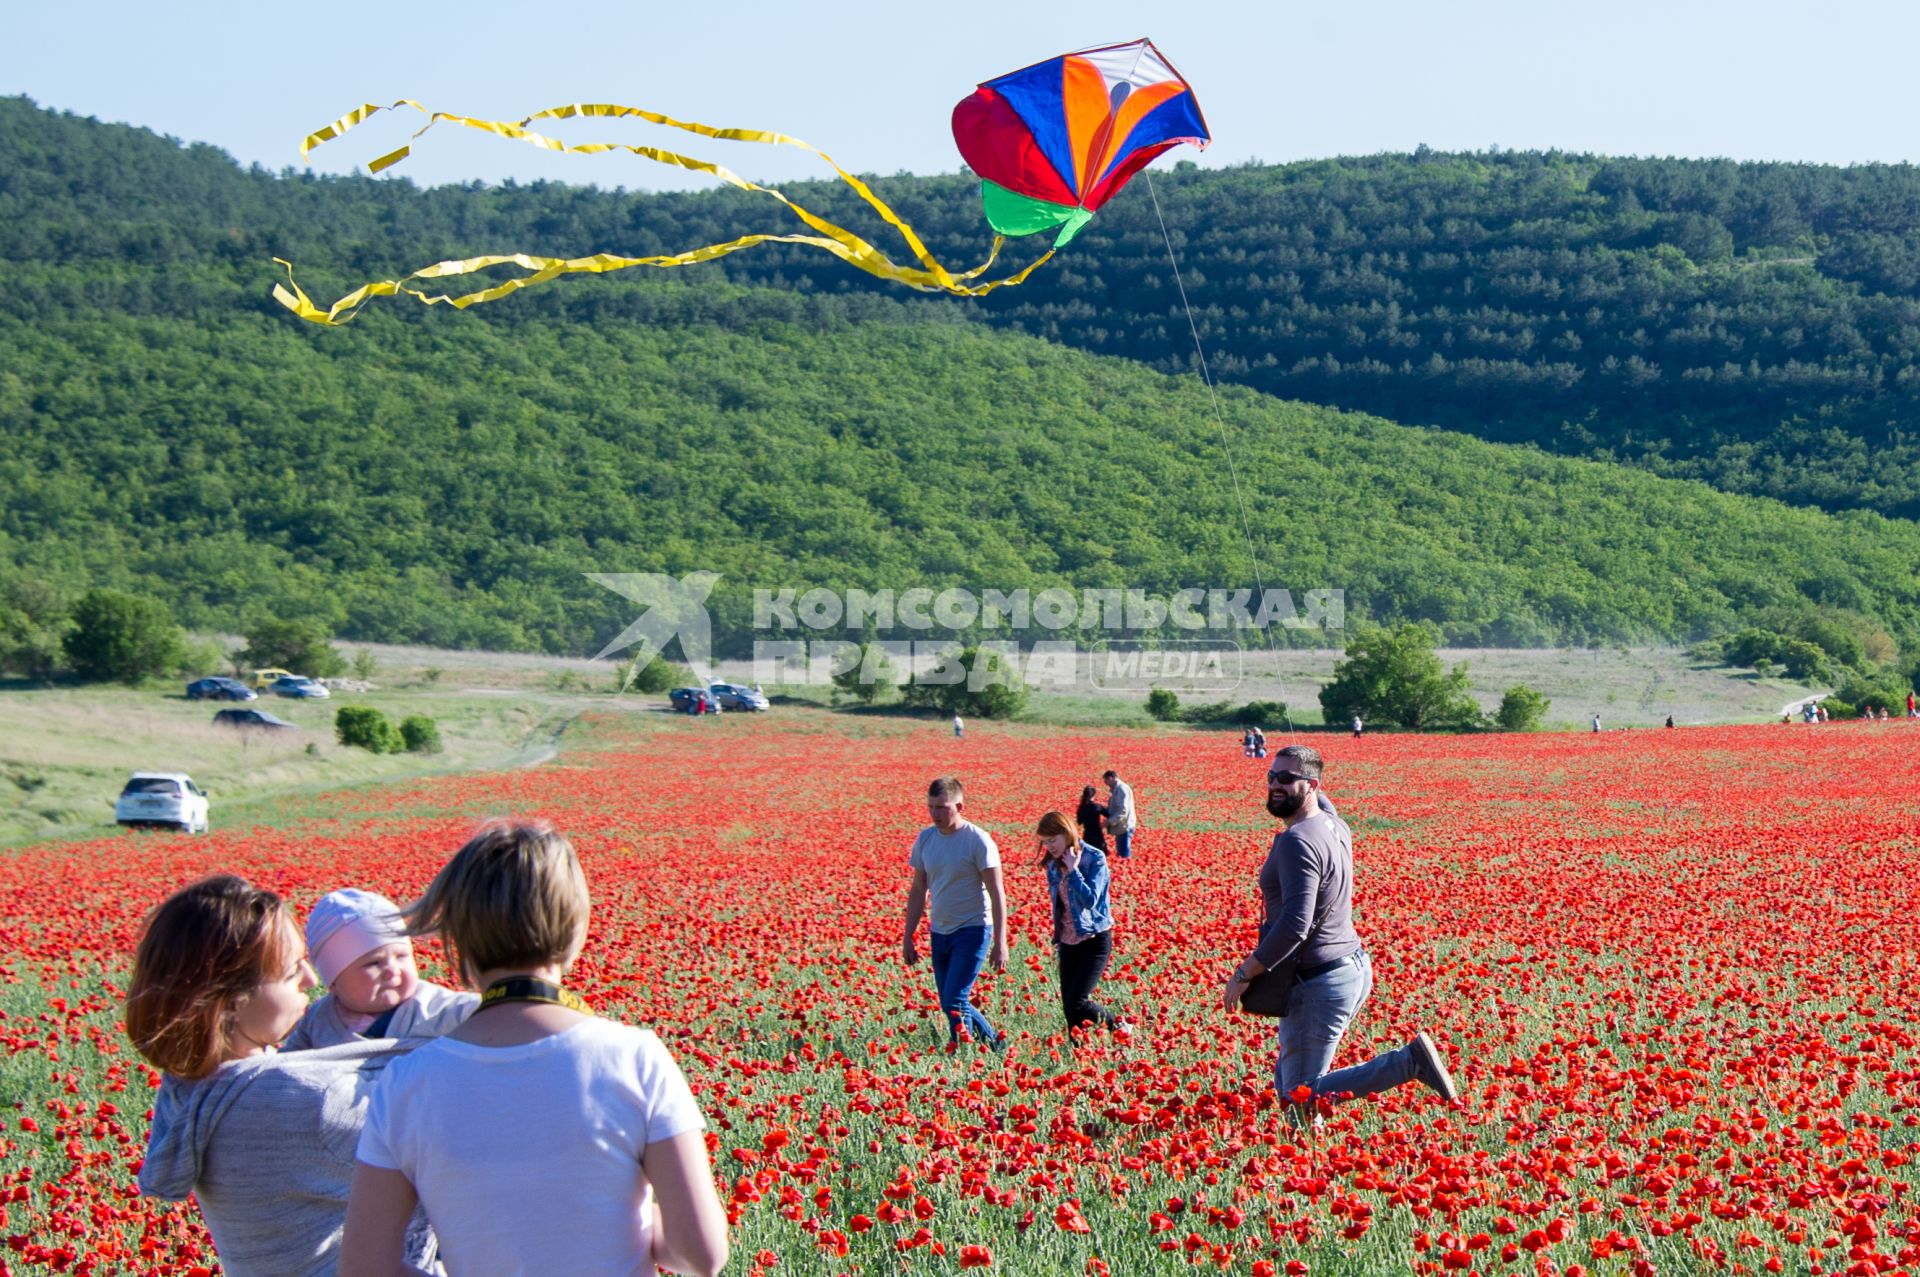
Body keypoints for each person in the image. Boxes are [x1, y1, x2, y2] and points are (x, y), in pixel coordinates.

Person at [339, 821, 728, 1277]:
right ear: (576, 927)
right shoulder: (634, 1059)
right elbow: (701, 1254)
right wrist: (621, 1221)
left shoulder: (406, 1083)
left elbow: (364, 1269)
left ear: (458, 941)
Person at [127, 876, 441, 1277]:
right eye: (292, 970)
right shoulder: (298, 1099)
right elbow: (442, 1137)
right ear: (230, 1002)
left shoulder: (188, 1085)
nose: (311, 981)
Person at [1221, 745, 1462, 1116]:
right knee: (1291, 1086)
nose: (1275, 786)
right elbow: (1317, 799)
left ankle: (1408, 1062)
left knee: (1298, 1095)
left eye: (1286, 779)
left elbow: (1294, 926)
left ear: (1312, 785)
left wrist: (1244, 973)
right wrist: (1297, 767)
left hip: (1318, 981)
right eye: (1271, 777)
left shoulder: (1297, 842)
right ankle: (1306, 1160)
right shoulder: (1333, 822)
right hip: (1349, 967)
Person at [284, 889, 475, 1050]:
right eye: (374, 963)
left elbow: (480, 1011)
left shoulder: (435, 1008)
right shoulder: (317, 1021)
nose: (392, 970)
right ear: (333, 981)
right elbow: (284, 1063)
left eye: (401, 956)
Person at [901, 776, 1008, 1049]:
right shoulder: (925, 839)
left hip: (973, 929)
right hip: (940, 930)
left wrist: (1000, 942)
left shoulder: (978, 841)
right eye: (931, 807)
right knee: (949, 1001)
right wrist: (908, 936)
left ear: (960, 806)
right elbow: (918, 889)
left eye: (942, 807)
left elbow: (997, 893)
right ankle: (993, 1046)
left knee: (955, 1000)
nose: (935, 814)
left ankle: (961, 1052)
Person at [1035, 810, 1119, 1033]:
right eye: (1045, 842)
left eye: (1052, 840)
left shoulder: (1094, 858)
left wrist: (1073, 870)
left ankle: (1119, 1026)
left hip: (1094, 940)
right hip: (1068, 941)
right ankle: (1079, 1056)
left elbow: (1091, 900)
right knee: (1070, 1010)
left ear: (1067, 833)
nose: (1049, 847)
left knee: (1078, 1001)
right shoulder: (1053, 864)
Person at [1102, 769, 1138, 860]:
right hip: (1121, 826)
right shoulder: (1116, 789)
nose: (1105, 784)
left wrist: (1109, 822)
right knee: (1121, 853)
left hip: (1124, 826)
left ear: (1111, 778)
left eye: (1106, 781)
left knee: (1123, 855)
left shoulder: (1122, 789)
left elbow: (1123, 811)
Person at [1075, 783, 1109, 853]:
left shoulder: (1081, 808)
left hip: (1087, 835)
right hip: (1097, 835)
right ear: (1093, 795)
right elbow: (1108, 814)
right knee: (1100, 853)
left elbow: (1079, 822)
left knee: (1088, 854)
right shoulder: (1097, 807)